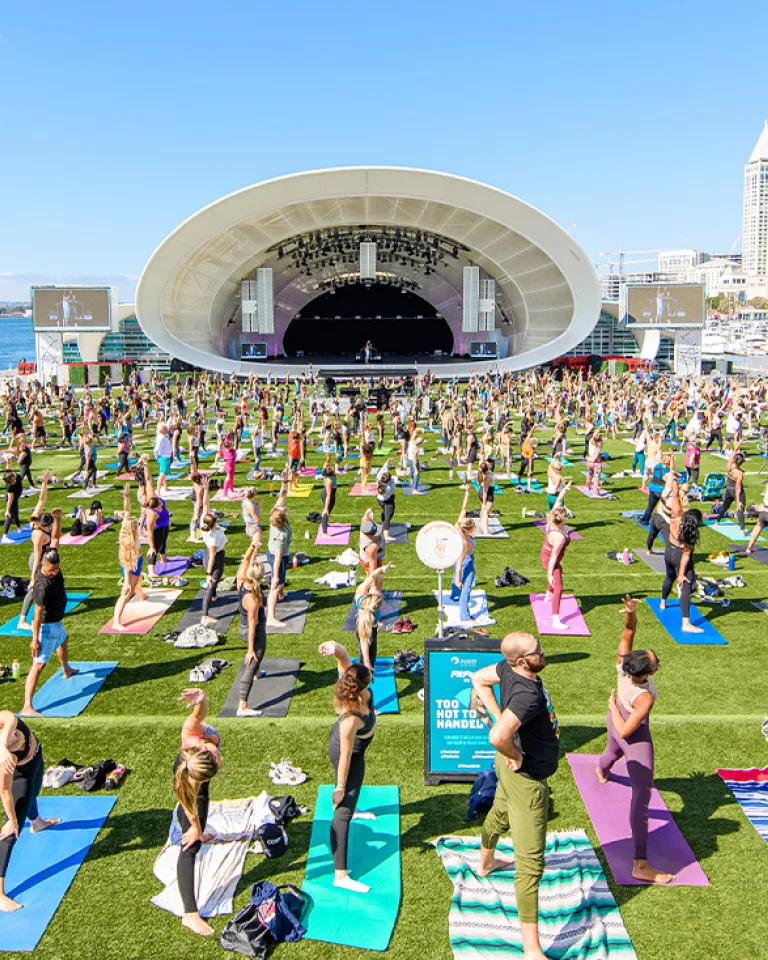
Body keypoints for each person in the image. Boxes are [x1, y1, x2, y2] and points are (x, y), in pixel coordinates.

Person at [469, 631, 560, 960]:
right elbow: (498, 736)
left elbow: (478, 678)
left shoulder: (509, 669)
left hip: (508, 769)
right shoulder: (527, 696)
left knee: (500, 811)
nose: (544, 651)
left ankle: (487, 862)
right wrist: (518, 755)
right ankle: (532, 951)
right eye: (538, 650)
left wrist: (497, 715)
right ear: (522, 660)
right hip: (527, 777)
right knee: (531, 865)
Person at [595, 595, 674, 884]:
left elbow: (628, 631)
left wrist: (630, 613)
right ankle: (640, 865)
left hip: (618, 720)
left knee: (612, 751)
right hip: (632, 729)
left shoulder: (622, 662)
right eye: (655, 662)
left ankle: (601, 769)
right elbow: (627, 731)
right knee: (642, 796)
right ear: (645, 673)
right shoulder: (643, 699)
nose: (657, 660)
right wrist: (613, 709)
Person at [318, 640, 375, 893]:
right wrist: (340, 787)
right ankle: (340, 875)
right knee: (342, 810)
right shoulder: (350, 721)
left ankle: (352, 804)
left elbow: (343, 658)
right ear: (363, 682)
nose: (371, 672)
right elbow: (344, 757)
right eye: (369, 673)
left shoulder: (358, 690)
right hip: (347, 754)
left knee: (353, 793)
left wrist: (334, 646)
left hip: (356, 753)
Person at [0, 712, 62, 911]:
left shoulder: (6, 726)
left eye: (14, 734)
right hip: (21, 776)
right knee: (10, 834)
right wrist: (11, 819)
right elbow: (5, 791)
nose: (17, 736)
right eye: (13, 741)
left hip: (36, 759)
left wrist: (4, 744)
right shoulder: (5, 763)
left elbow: (10, 716)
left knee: (35, 792)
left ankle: (37, 823)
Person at [174, 688, 221, 936]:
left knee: (201, 815)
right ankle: (189, 913)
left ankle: (199, 831)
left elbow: (199, 715)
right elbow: (187, 802)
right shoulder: (190, 782)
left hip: (197, 780)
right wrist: (194, 827)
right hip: (190, 789)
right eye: (216, 757)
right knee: (190, 845)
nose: (218, 756)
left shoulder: (192, 732)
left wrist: (201, 699)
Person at [21, 548, 79, 717]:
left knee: (64, 640)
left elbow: (54, 540)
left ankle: (66, 670)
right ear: (42, 565)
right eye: (50, 570)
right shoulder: (42, 586)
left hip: (56, 623)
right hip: (46, 627)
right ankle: (27, 705)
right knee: (38, 665)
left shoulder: (55, 572)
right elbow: (37, 614)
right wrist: (34, 639)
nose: (53, 572)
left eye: (56, 569)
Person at [15, 470, 54, 631]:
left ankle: (48, 605)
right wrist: (32, 578)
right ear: (44, 526)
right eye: (49, 526)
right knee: (33, 588)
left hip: (45, 560)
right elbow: (37, 555)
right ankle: (22, 620)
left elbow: (41, 500)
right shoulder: (38, 535)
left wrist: (44, 482)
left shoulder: (36, 518)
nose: (52, 527)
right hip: (38, 561)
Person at [234, 537, 267, 717]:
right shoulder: (253, 600)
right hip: (251, 632)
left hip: (242, 627)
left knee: (256, 661)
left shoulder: (242, 581)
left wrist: (253, 547)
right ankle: (242, 705)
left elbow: (246, 561)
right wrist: (250, 650)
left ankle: (258, 672)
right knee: (253, 661)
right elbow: (253, 626)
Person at [660, 497, 703, 634]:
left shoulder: (675, 519)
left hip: (668, 552)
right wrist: (682, 574)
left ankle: (662, 602)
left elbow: (675, 499)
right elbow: (685, 556)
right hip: (679, 556)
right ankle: (686, 623)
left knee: (669, 577)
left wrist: (674, 481)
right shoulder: (690, 533)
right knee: (686, 586)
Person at [112, 483, 147, 630]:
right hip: (131, 565)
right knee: (126, 593)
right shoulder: (128, 543)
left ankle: (142, 596)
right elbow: (126, 564)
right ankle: (116, 622)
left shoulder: (127, 526)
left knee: (138, 580)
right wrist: (126, 582)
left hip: (137, 561)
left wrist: (127, 497)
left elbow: (127, 511)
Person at [354, 562, 393, 670]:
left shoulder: (360, 594)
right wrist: (367, 661)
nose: (379, 592)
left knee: (369, 655)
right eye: (379, 593)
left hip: (366, 626)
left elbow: (371, 577)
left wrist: (382, 569)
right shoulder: (372, 617)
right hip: (366, 629)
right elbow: (364, 641)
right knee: (365, 656)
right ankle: (362, 677)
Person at [266, 469, 292, 629]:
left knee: (281, 582)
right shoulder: (280, 536)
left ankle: (282, 593)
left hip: (280, 556)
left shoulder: (275, 514)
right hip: (277, 557)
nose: (285, 508)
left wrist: (285, 481)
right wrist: (275, 577)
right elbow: (277, 558)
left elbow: (282, 496)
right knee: (275, 585)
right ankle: (271, 617)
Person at [541, 502, 572, 631]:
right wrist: (549, 574)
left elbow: (557, 502)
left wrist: (565, 490)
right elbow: (553, 557)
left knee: (559, 572)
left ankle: (548, 594)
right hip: (550, 560)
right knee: (558, 587)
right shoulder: (558, 536)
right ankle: (555, 619)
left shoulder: (551, 521)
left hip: (549, 558)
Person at [199, 483, 228, 627]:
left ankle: (215, 596)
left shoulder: (205, 525)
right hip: (214, 559)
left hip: (216, 556)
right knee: (211, 584)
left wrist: (205, 489)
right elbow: (212, 556)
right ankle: (204, 615)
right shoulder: (213, 537)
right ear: (214, 523)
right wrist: (208, 573)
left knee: (217, 580)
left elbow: (205, 505)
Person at [714, 447, 746, 535]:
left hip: (728, 490)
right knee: (740, 509)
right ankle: (743, 530)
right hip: (736, 491)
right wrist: (738, 501)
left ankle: (717, 521)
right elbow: (738, 487)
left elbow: (732, 454)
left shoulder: (729, 465)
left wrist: (737, 447)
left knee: (725, 506)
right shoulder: (739, 473)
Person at [376, 458, 397, 542]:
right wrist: (395, 480)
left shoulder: (380, 476)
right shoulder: (389, 487)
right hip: (388, 500)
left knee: (386, 513)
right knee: (388, 516)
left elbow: (385, 468)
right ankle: (386, 535)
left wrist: (388, 462)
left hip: (380, 500)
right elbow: (393, 490)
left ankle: (383, 520)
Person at [746, 479, 768, 554]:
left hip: (764, 510)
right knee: (759, 526)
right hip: (765, 510)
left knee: (758, 526)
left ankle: (749, 547)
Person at [2, 468, 23, 543]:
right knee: (9, 518)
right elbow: (10, 499)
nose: (13, 482)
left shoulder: (16, 475)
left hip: (15, 499)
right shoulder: (9, 487)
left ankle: (19, 528)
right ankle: (5, 536)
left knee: (15, 514)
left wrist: (9, 460)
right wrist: (8, 511)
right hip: (11, 501)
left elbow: (9, 468)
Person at [154, 422, 173, 496]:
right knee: (162, 474)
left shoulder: (162, 435)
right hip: (163, 457)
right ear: (162, 430)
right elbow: (156, 449)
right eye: (165, 428)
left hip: (165, 456)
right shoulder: (161, 437)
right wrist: (157, 457)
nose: (166, 429)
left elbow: (168, 424)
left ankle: (165, 487)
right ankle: (158, 491)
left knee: (164, 474)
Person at [320, 455, 337, 535]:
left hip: (327, 493)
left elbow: (327, 463)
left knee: (327, 511)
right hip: (328, 494)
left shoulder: (327, 473)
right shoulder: (329, 481)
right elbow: (328, 495)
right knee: (326, 512)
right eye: (333, 470)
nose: (334, 469)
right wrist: (326, 508)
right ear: (331, 473)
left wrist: (328, 457)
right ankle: (324, 533)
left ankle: (324, 522)